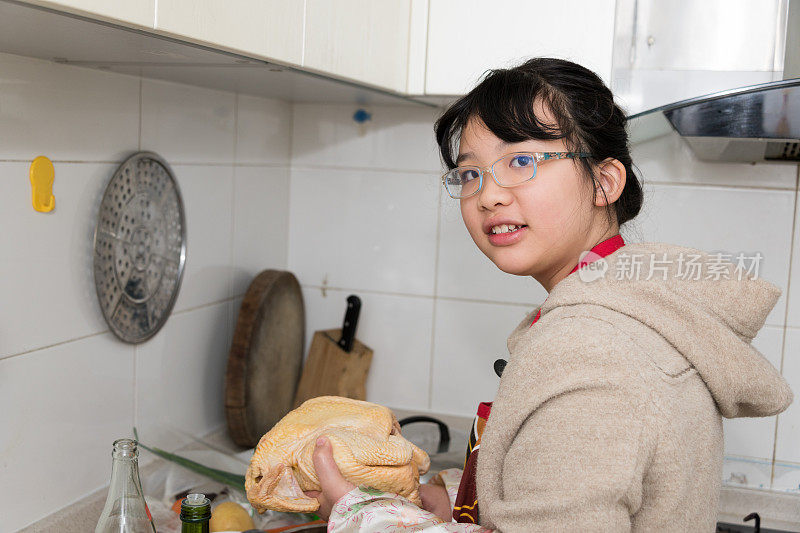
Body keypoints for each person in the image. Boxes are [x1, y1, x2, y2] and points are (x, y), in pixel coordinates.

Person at [304, 58, 795, 531]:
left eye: (521, 160)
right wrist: (459, 502)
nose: (488, 195)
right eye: (471, 173)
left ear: (604, 182)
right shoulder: (633, 311)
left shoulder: (590, 352)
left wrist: (362, 515)